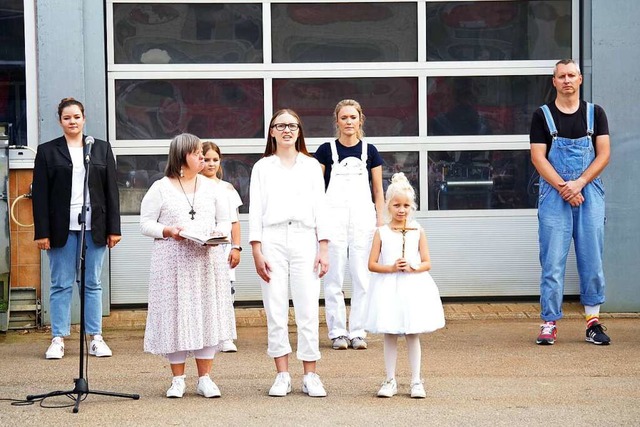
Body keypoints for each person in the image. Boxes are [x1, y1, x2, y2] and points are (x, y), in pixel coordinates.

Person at [140, 133, 235, 398]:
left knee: (206, 313)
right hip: (172, 262)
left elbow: (225, 220)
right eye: (196, 153)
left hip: (207, 260)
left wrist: (218, 236)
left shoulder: (214, 187)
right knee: (176, 314)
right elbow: (145, 223)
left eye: (203, 153)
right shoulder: (160, 187)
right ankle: (178, 379)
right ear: (182, 156)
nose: (203, 157)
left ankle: (205, 378)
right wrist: (169, 230)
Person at [530, 59, 611, 346]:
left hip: (588, 190)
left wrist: (578, 183)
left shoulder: (594, 113)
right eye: (561, 76)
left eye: (571, 75)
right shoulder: (542, 115)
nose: (567, 80)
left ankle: (593, 323)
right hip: (555, 193)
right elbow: (538, 157)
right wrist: (564, 187)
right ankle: (549, 321)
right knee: (552, 260)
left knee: (592, 257)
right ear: (554, 81)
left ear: (580, 80)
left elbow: (603, 155)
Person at [249, 109, 330, 397]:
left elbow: (321, 207)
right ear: (271, 132)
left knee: (308, 308)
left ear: (299, 131)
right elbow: (255, 209)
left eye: (292, 126)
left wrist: (323, 247)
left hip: (305, 237)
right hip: (272, 238)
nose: (287, 130)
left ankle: (310, 375)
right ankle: (282, 374)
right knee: (276, 308)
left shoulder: (310, 166)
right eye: (280, 125)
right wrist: (256, 249)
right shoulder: (262, 168)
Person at [32, 97, 121, 360]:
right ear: (60, 121)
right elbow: (40, 195)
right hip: (60, 227)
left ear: (84, 119)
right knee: (60, 283)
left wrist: (113, 228)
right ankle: (58, 337)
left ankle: (95, 337)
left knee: (91, 283)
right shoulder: (47, 151)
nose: (72, 121)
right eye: (67, 117)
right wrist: (42, 232)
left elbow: (111, 192)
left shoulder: (100, 149)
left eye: (77, 117)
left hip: (94, 226)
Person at [365, 172, 445, 399]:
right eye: (396, 205)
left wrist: (413, 266)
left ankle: (416, 380)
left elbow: (427, 261)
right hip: (389, 288)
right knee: (390, 333)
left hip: (412, 288)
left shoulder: (418, 230)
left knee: (412, 333)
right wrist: (390, 267)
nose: (401, 210)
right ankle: (389, 379)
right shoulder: (381, 233)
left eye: (406, 205)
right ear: (388, 206)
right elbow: (371, 264)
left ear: (412, 207)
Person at [314, 99, 384, 351]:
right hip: (332, 221)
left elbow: (378, 191)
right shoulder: (325, 150)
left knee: (362, 277)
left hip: (363, 222)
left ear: (360, 120)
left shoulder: (370, 151)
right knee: (333, 277)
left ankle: (357, 332)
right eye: (344, 118)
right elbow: (315, 189)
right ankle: (337, 333)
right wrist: (317, 223)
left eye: (353, 117)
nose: (348, 122)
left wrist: (380, 224)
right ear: (337, 121)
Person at [201, 141, 242, 353]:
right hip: (201, 248)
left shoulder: (227, 189)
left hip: (224, 248)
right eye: (206, 159)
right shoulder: (194, 186)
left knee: (226, 291)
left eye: (215, 160)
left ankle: (226, 336)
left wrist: (237, 247)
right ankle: (206, 335)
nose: (210, 164)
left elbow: (234, 222)